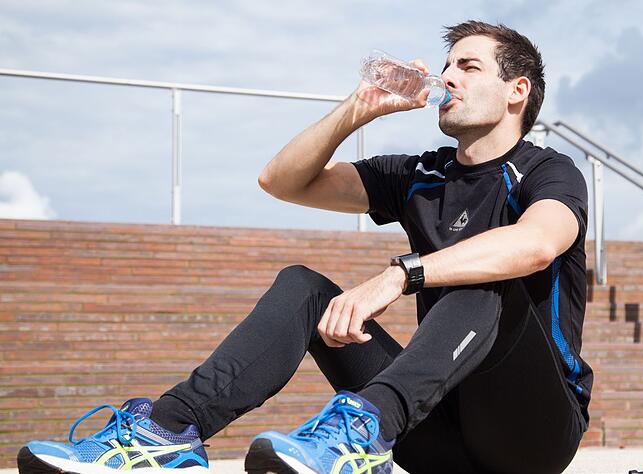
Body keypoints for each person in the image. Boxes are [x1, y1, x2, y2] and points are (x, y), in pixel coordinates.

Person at [18, 20, 592, 474]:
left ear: (518, 90)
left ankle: (363, 426)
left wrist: (401, 275)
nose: (448, 77)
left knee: (488, 275)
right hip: (431, 430)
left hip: (530, 435)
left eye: (468, 66)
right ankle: (167, 429)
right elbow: (282, 181)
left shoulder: (549, 171)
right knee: (303, 287)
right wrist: (356, 109)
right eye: (446, 66)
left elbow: (536, 244)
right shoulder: (421, 173)